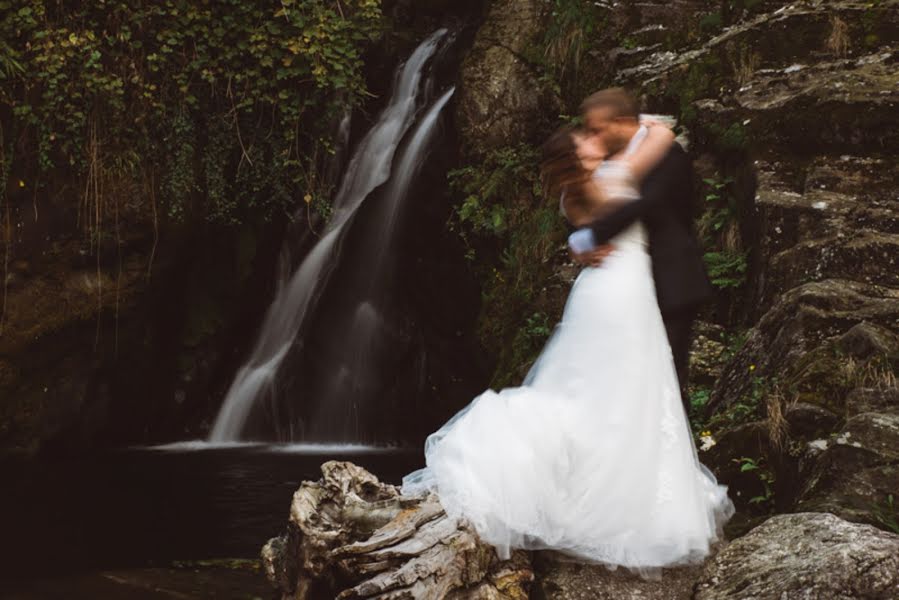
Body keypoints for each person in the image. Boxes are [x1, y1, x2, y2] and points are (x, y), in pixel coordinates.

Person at [402, 94, 733, 576]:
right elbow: (645, 172)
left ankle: (618, 482)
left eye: (595, 129)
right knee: (626, 389)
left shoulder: (590, 183)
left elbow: (633, 191)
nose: (592, 137)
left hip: (614, 291)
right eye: (587, 135)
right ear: (578, 156)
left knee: (612, 388)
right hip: (623, 293)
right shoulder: (610, 175)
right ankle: (621, 495)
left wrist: (588, 231)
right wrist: (653, 132)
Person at [569, 89, 714, 411]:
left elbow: (649, 202)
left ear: (620, 122)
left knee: (665, 380)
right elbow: (595, 203)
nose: (593, 137)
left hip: (671, 280)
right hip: (627, 284)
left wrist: (588, 238)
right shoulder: (616, 158)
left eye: (597, 129)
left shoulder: (667, 152)